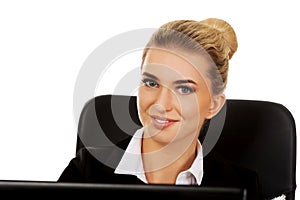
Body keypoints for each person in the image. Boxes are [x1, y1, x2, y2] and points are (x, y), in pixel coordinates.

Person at [58, 18, 264, 199]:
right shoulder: (86, 172)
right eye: (151, 83)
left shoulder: (241, 186)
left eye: (184, 89)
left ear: (213, 104)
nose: (160, 104)